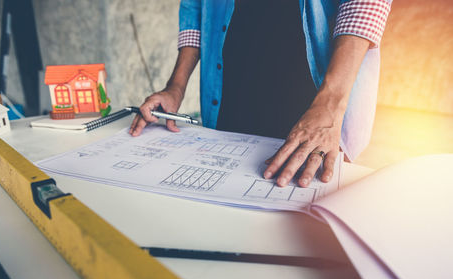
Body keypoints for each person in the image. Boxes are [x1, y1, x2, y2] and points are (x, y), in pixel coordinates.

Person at [130, 0, 392, 188]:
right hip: (230, 86)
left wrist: (330, 105)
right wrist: (176, 86)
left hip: (312, 94)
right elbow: (195, 5)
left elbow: (364, 4)